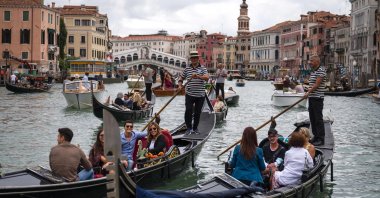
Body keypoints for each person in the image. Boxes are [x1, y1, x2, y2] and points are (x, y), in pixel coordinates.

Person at [178, 51, 209, 135]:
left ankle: (195, 128)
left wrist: (198, 76)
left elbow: (207, 78)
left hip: (200, 95)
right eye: (192, 58)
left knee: (197, 112)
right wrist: (180, 85)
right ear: (191, 59)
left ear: (198, 59)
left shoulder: (203, 68)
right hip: (189, 94)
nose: (194, 59)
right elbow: (181, 78)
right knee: (188, 110)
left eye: (195, 58)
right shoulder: (187, 69)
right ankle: (188, 128)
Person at [303, 55, 326, 146]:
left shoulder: (321, 70)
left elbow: (317, 85)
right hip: (312, 98)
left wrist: (308, 92)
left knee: (318, 119)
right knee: (312, 118)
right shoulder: (314, 71)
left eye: (311, 61)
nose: (310, 63)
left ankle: (321, 138)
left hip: (317, 98)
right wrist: (308, 93)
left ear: (317, 61)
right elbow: (312, 84)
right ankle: (316, 136)